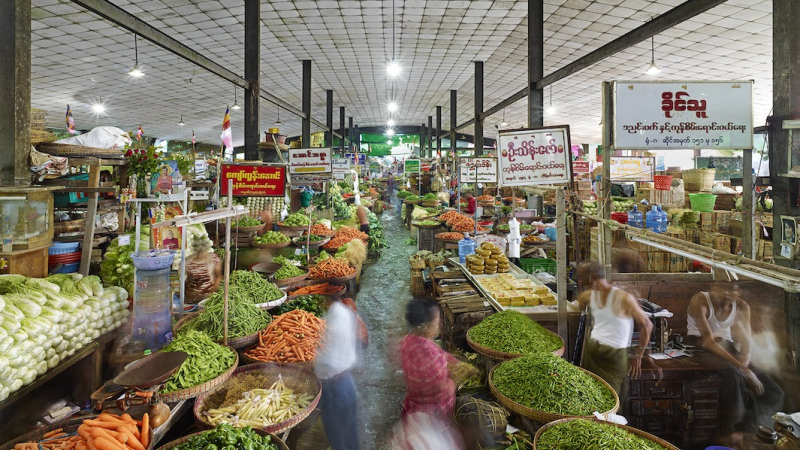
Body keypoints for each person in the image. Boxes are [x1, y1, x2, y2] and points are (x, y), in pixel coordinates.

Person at [686, 284, 784, 447]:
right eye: (722, 287)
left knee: (775, 392)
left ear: (739, 292)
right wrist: (742, 368)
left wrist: (745, 363)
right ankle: (732, 432)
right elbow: (707, 341)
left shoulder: (742, 307)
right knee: (733, 374)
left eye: (732, 289)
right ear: (714, 287)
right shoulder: (701, 300)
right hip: (700, 347)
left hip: (728, 349)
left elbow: (746, 341)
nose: (726, 292)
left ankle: (747, 433)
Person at [576, 260, 653, 396]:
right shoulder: (589, 296)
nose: (581, 282)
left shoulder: (623, 298)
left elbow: (647, 325)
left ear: (594, 277)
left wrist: (638, 354)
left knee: (611, 397)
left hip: (612, 356)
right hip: (594, 350)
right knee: (591, 395)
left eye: (584, 279)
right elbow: (581, 306)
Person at [400, 299, 473, 423]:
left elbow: (438, 355)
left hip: (413, 404)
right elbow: (440, 388)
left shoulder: (408, 340)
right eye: (437, 322)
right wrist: (458, 377)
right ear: (426, 326)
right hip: (431, 414)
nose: (439, 326)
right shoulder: (429, 353)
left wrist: (454, 361)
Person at [315, 293, 361, 450]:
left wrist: (314, 359)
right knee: (349, 428)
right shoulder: (344, 312)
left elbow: (330, 359)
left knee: (337, 432)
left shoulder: (334, 320)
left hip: (335, 386)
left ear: (326, 299)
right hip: (346, 383)